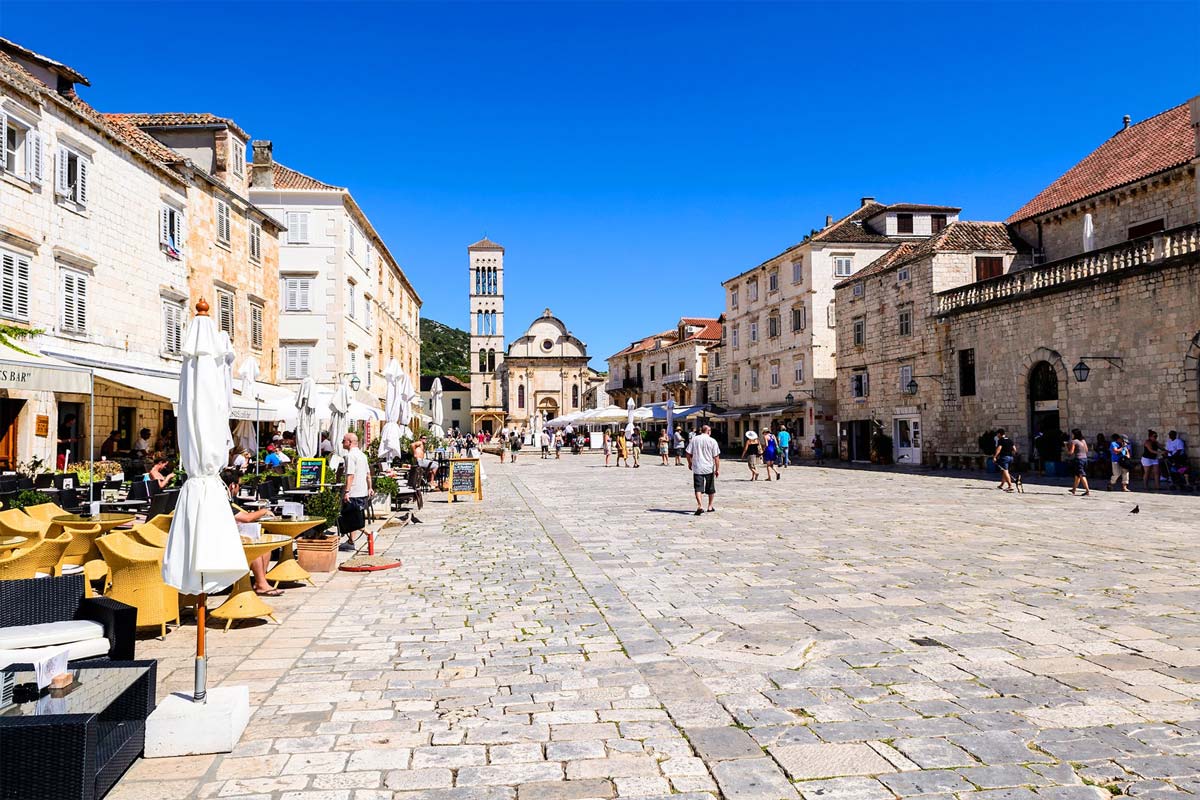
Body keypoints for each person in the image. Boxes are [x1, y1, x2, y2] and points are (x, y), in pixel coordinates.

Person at [223, 469, 283, 597]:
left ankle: (260, 581)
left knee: (265, 549)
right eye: (239, 485)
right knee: (254, 549)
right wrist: (263, 511)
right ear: (232, 485)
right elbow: (246, 518)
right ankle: (261, 583)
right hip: (221, 544)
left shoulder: (225, 500)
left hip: (227, 538)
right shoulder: (221, 501)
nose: (239, 489)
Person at [341, 431, 371, 551]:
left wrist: (347, 491)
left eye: (343, 441)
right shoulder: (362, 455)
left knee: (351, 519)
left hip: (354, 491)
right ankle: (351, 542)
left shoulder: (350, 456)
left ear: (349, 442)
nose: (342, 443)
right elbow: (368, 474)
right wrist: (370, 487)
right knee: (355, 516)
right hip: (362, 491)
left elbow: (350, 475)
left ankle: (369, 534)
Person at [686, 424, 721, 516]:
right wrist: (717, 469)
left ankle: (700, 505)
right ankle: (710, 506)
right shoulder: (712, 441)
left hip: (697, 467)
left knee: (698, 487)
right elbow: (716, 457)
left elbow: (688, 453)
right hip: (709, 467)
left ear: (701, 430)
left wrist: (690, 463)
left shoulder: (695, 439)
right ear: (709, 431)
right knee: (710, 488)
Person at [1067, 428, 1090, 496]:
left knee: (1081, 475)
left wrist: (1067, 447)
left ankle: (1087, 490)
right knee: (1077, 475)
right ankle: (1074, 489)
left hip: (1078, 460)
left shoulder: (1074, 441)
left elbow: (1071, 452)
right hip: (1085, 459)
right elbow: (1086, 450)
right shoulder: (1083, 441)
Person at [993, 428, 1017, 492]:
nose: (997, 435)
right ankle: (1002, 485)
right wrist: (1011, 455)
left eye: (997, 434)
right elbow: (1014, 449)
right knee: (1005, 471)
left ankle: (1010, 486)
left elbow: (999, 449)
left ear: (999, 434)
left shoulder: (1001, 440)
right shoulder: (1009, 440)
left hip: (1004, 457)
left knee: (1005, 471)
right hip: (1011, 458)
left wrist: (995, 456)